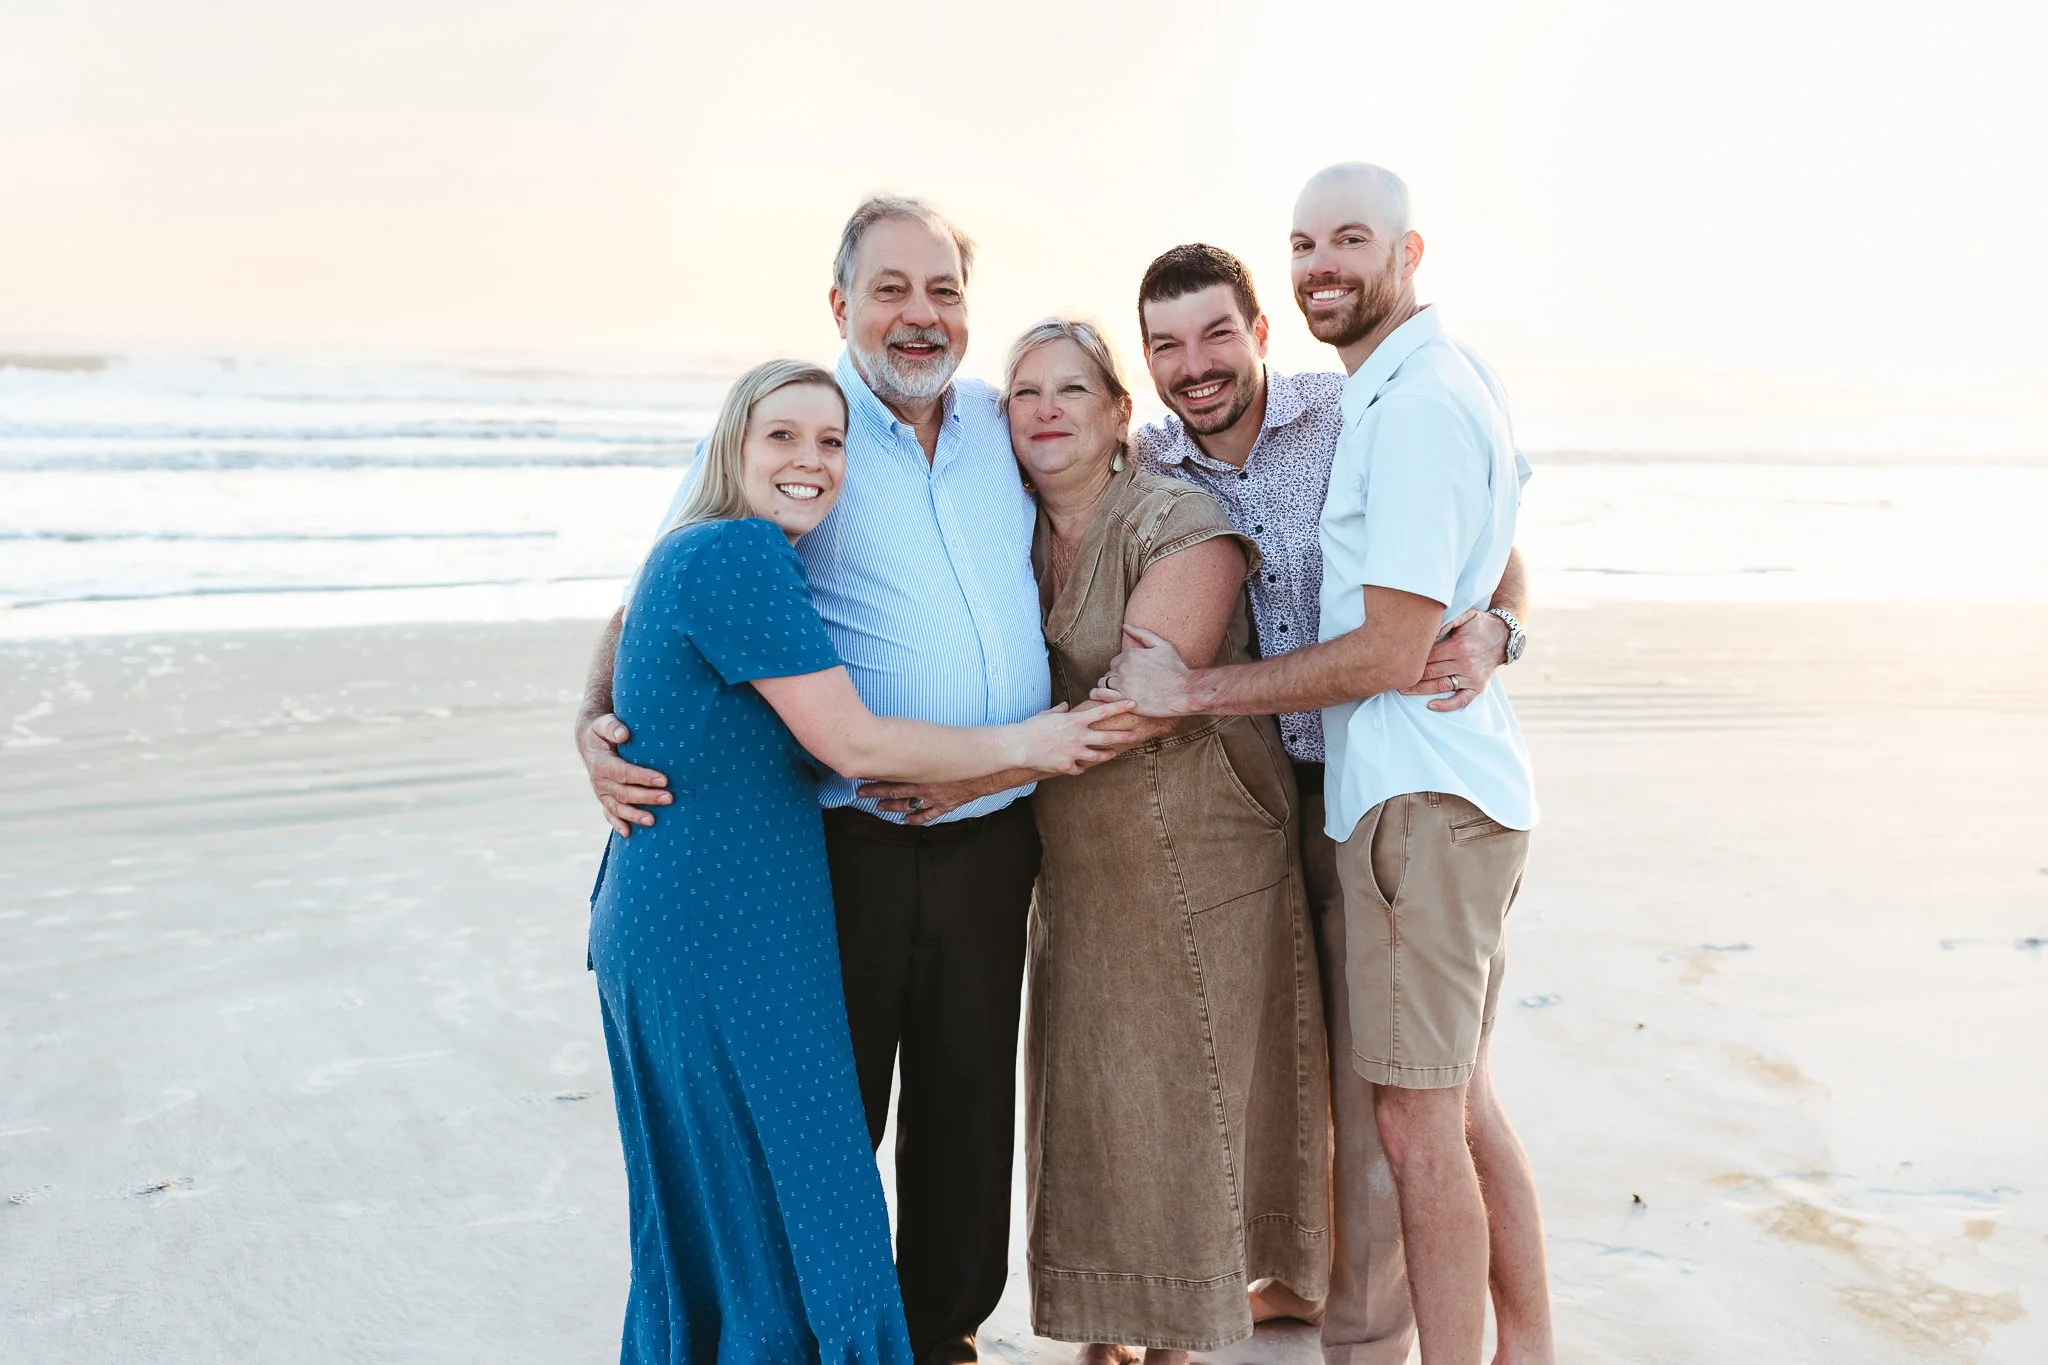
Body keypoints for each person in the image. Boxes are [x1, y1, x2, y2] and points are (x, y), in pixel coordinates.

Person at [576, 198, 1086, 1365]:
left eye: (943, 290)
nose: (920, 315)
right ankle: (811, 1323)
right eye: (892, 289)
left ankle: (941, 1329)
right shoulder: (795, 427)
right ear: (840, 302)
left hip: (993, 826)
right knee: (819, 1111)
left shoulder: (999, 422)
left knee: (966, 1100)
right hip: (836, 841)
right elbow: (648, 592)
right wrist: (588, 725)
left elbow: (1115, 463)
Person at [1100, 165, 1554, 1365]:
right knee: (1356, 1078)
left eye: (1214, 335)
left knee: (1408, 1106)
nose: (1193, 365)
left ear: (1258, 331)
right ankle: (1290, 1286)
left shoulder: (1362, 410)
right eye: (1164, 347)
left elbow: (1488, 531)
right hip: (1275, 796)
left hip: (1387, 783)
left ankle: (1380, 1332)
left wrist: (1499, 625)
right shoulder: (1149, 468)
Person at [865, 319, 1330, 1363]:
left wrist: (970, 777)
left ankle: (1183, 1327)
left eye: (1070, 389)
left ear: (1120, 413)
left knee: (1188, 1087)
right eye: (1023, 392)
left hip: (1202, 839)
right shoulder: (1006, 529)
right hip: (1077, 852)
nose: (1042, 409)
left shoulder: (1179, 519)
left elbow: (1141, 702)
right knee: (1092, 1086)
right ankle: (1111, 1322)